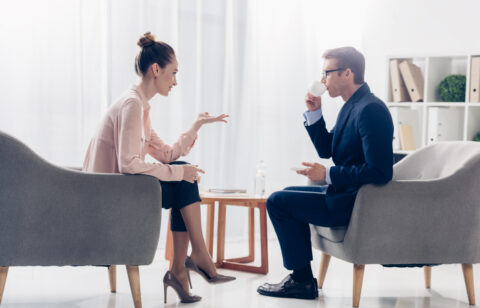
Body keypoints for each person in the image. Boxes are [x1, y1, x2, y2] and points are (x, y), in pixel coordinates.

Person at [83, 32, 235, 304]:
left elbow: (165, 155)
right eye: (173, 73)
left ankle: (184, 266)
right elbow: (129, 164)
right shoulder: (131, 104)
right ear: (156, 70)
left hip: (117, 190)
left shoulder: (140, 105)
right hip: (108, 197)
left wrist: (196, 126)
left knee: (182, 174)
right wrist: (179, 173)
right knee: (183, 176)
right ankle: (193, 260)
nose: (175, 81)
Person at [257, 47, 393, 300]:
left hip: (353, 201)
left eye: (326, 73)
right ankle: (302, 279)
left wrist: (328, 174)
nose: (322, 80)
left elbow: (380, 171)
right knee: (285, 195)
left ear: (347, 73)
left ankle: (301, 281)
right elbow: (327, 150)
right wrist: (315, 112)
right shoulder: (353, 105)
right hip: (342, 193)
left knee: (277, 201)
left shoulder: (370, 109)